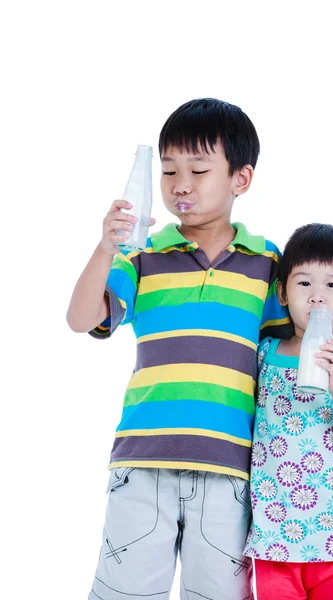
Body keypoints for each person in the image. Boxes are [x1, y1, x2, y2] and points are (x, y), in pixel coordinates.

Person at [67, 98, 291, 600]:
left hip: (231, 468)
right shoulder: (141, 255)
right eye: (168, 170)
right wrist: (107, 248)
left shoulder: (268, 263)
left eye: (198, 169)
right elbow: (82, 319)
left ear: (241, 178)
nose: (180, 184)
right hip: (143, 462)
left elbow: (284, 361)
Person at [244, 223, 333, 600]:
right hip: (275, 534)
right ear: (282, 293)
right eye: (304, 284)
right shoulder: (265, 355)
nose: (317, 298)